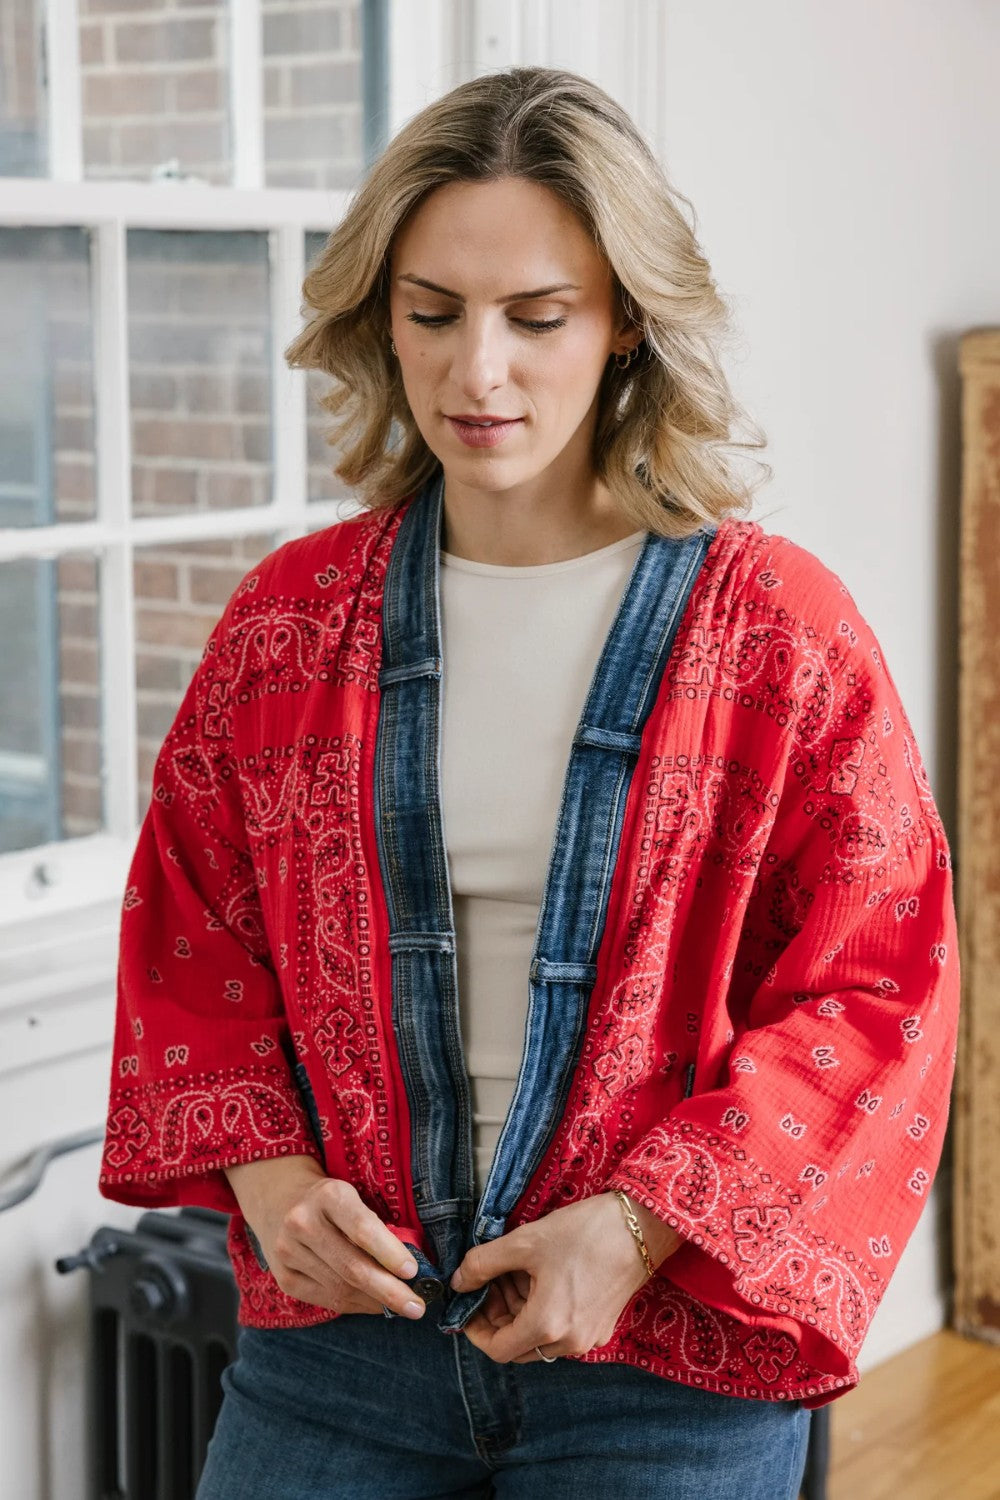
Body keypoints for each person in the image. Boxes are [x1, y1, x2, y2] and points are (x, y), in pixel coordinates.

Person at [98, 66, 960, 1499]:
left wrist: (634, 1231)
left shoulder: (778, 638)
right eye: (431, 313)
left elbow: (878, 990)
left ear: (625, 320)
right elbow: (195, 935)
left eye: (536, 318)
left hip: (654, 1364)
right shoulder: (287, 628)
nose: (474, 371)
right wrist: (265, 1181)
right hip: (338, 1360)